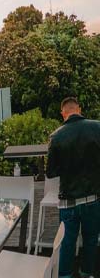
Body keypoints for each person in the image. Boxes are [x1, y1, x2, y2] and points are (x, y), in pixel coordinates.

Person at [47, 97, 100, 278]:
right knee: (91, 239)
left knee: (67, 242)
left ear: (63, 113)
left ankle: (64, 276)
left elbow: (51, 172)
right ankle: (86, 273)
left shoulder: (56, 136)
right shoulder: (97, 127)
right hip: (93, 197)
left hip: (68, 200)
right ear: (79, 109)